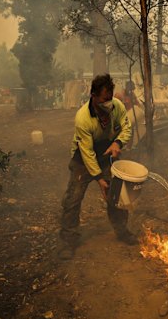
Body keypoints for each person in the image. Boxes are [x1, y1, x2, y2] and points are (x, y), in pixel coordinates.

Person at [58, 74, 135, 260]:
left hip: (106, 152)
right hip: (82, 160)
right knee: (73, 200)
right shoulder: (82, 118)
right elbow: (87, 153)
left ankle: (122, 231)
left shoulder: (117, 106)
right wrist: (99, 178)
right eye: (104, 99)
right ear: (93, 95)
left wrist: (118, 143)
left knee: (116, 195)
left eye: (110, 98)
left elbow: (126, 128)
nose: (108, 103)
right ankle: (69, 241)